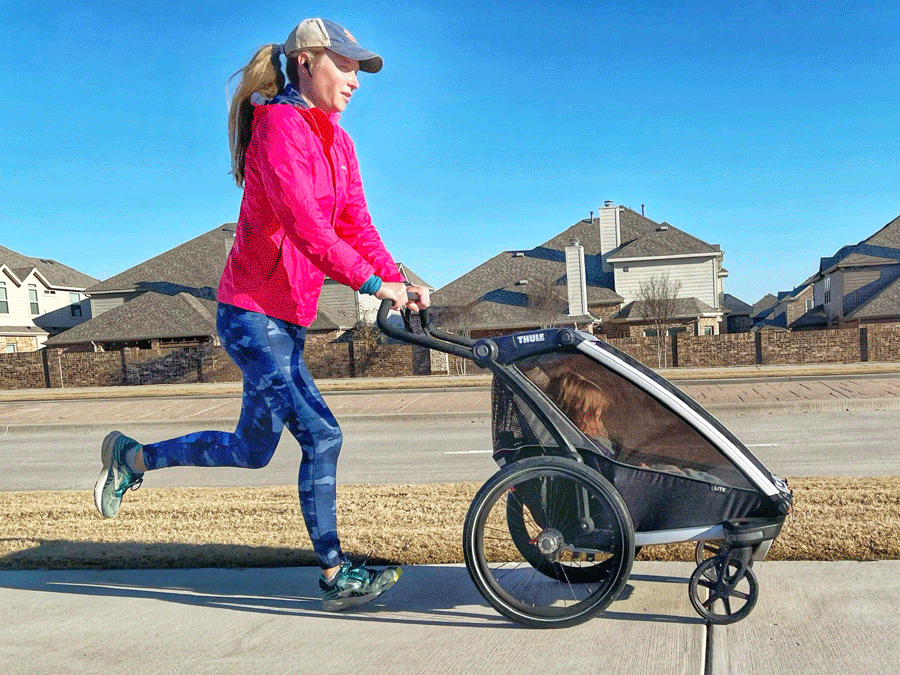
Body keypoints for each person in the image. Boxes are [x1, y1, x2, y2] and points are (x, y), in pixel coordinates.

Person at [93, 18, 430, 612]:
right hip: (251, 314)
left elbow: (356, 224)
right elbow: (306, 226)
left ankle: (130, 458)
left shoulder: (339, 143)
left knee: (252, 449)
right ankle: (333, 572)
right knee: (322, 435)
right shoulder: (279, 128)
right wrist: (374, 285)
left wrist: (397, 277)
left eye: (358, 69)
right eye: (345, 65)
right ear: (306, 63)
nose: (355, 79)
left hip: (286, 318)